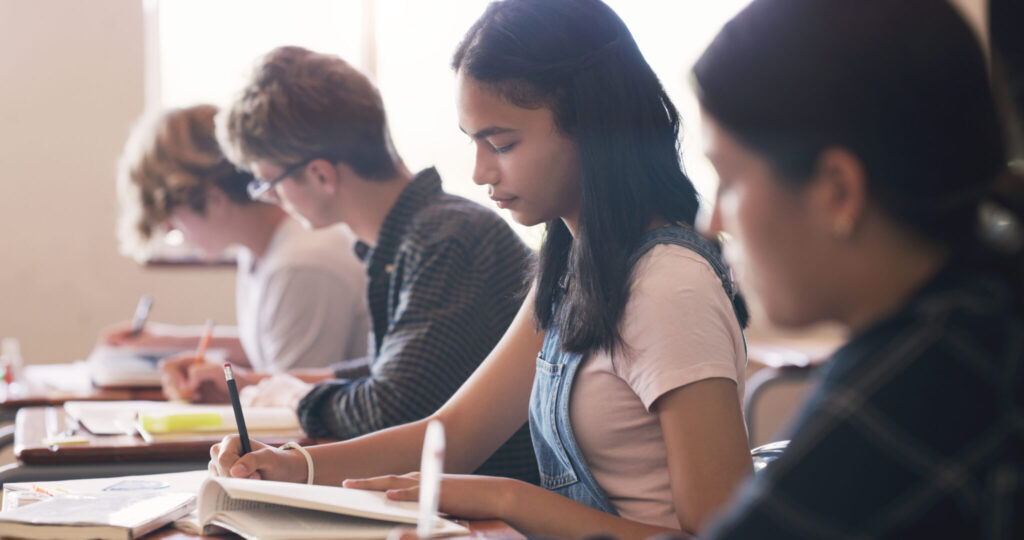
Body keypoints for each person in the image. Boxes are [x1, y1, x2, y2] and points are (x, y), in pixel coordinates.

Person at [210, 1, 752, 538]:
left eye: (502, 143)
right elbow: (455, 431)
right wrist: (293, 467)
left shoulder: (668, 286)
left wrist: (505, 497)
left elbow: (720, 536)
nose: (479, 172)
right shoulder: (570, 269)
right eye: (474, 142)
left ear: (592, 123)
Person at [690, 0, 1024, 537]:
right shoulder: (985, 310)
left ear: (837, 191)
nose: (712, 223)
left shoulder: (915, 388)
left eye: (727, 179)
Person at [208, 45, 540, 482]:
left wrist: (298, 399)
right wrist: (267, 383)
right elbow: (400, 366)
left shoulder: (446, 240)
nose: (272, 198)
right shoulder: (412, 237)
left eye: (270, 183)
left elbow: (392, 407)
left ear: (322, 175)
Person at [110, 104, 370, 402]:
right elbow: (268, 342)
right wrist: (158, 341)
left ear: (214, 199)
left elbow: (293, 405)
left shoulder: (300, 265)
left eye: (172, 216)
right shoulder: (264, 250)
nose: (170, 231)